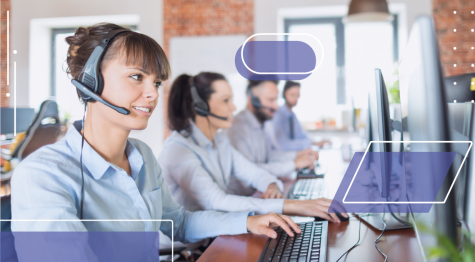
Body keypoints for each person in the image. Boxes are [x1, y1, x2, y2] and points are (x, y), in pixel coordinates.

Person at [10, 23, 300, 253]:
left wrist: (248, 222)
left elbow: (178, 221)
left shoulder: (142, 155)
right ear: (90, 81)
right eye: (137, 77)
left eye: (157, 82)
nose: (153, 94)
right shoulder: (43, 176)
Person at [158, 72, 346, 223]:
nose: (233, 107)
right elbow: (215, 201)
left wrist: (270, 184)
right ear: (199, 106)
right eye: (225, 101)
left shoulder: (220, 141)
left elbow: (254, 172)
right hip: (182, 252)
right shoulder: (178, 149)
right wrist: (296, 206)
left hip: (215, 236)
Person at [226, 80, 318, 177]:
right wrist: (294, 164)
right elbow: (250, 171)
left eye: (276, 100)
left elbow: (268, 156)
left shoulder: (260, 123)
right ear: (252, 100)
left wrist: (297, 155)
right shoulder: (237, 129)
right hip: (245, 192)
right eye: (271, 100)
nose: (276, 107)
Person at [270, 81, 331, 151]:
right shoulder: (277, 115)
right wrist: (312, 143)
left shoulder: (293, 116)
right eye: (292, 95)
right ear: (284, 94)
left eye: (297, 95)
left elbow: (301, 135)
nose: (295, 98)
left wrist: (317, 141)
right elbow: (284, 145)